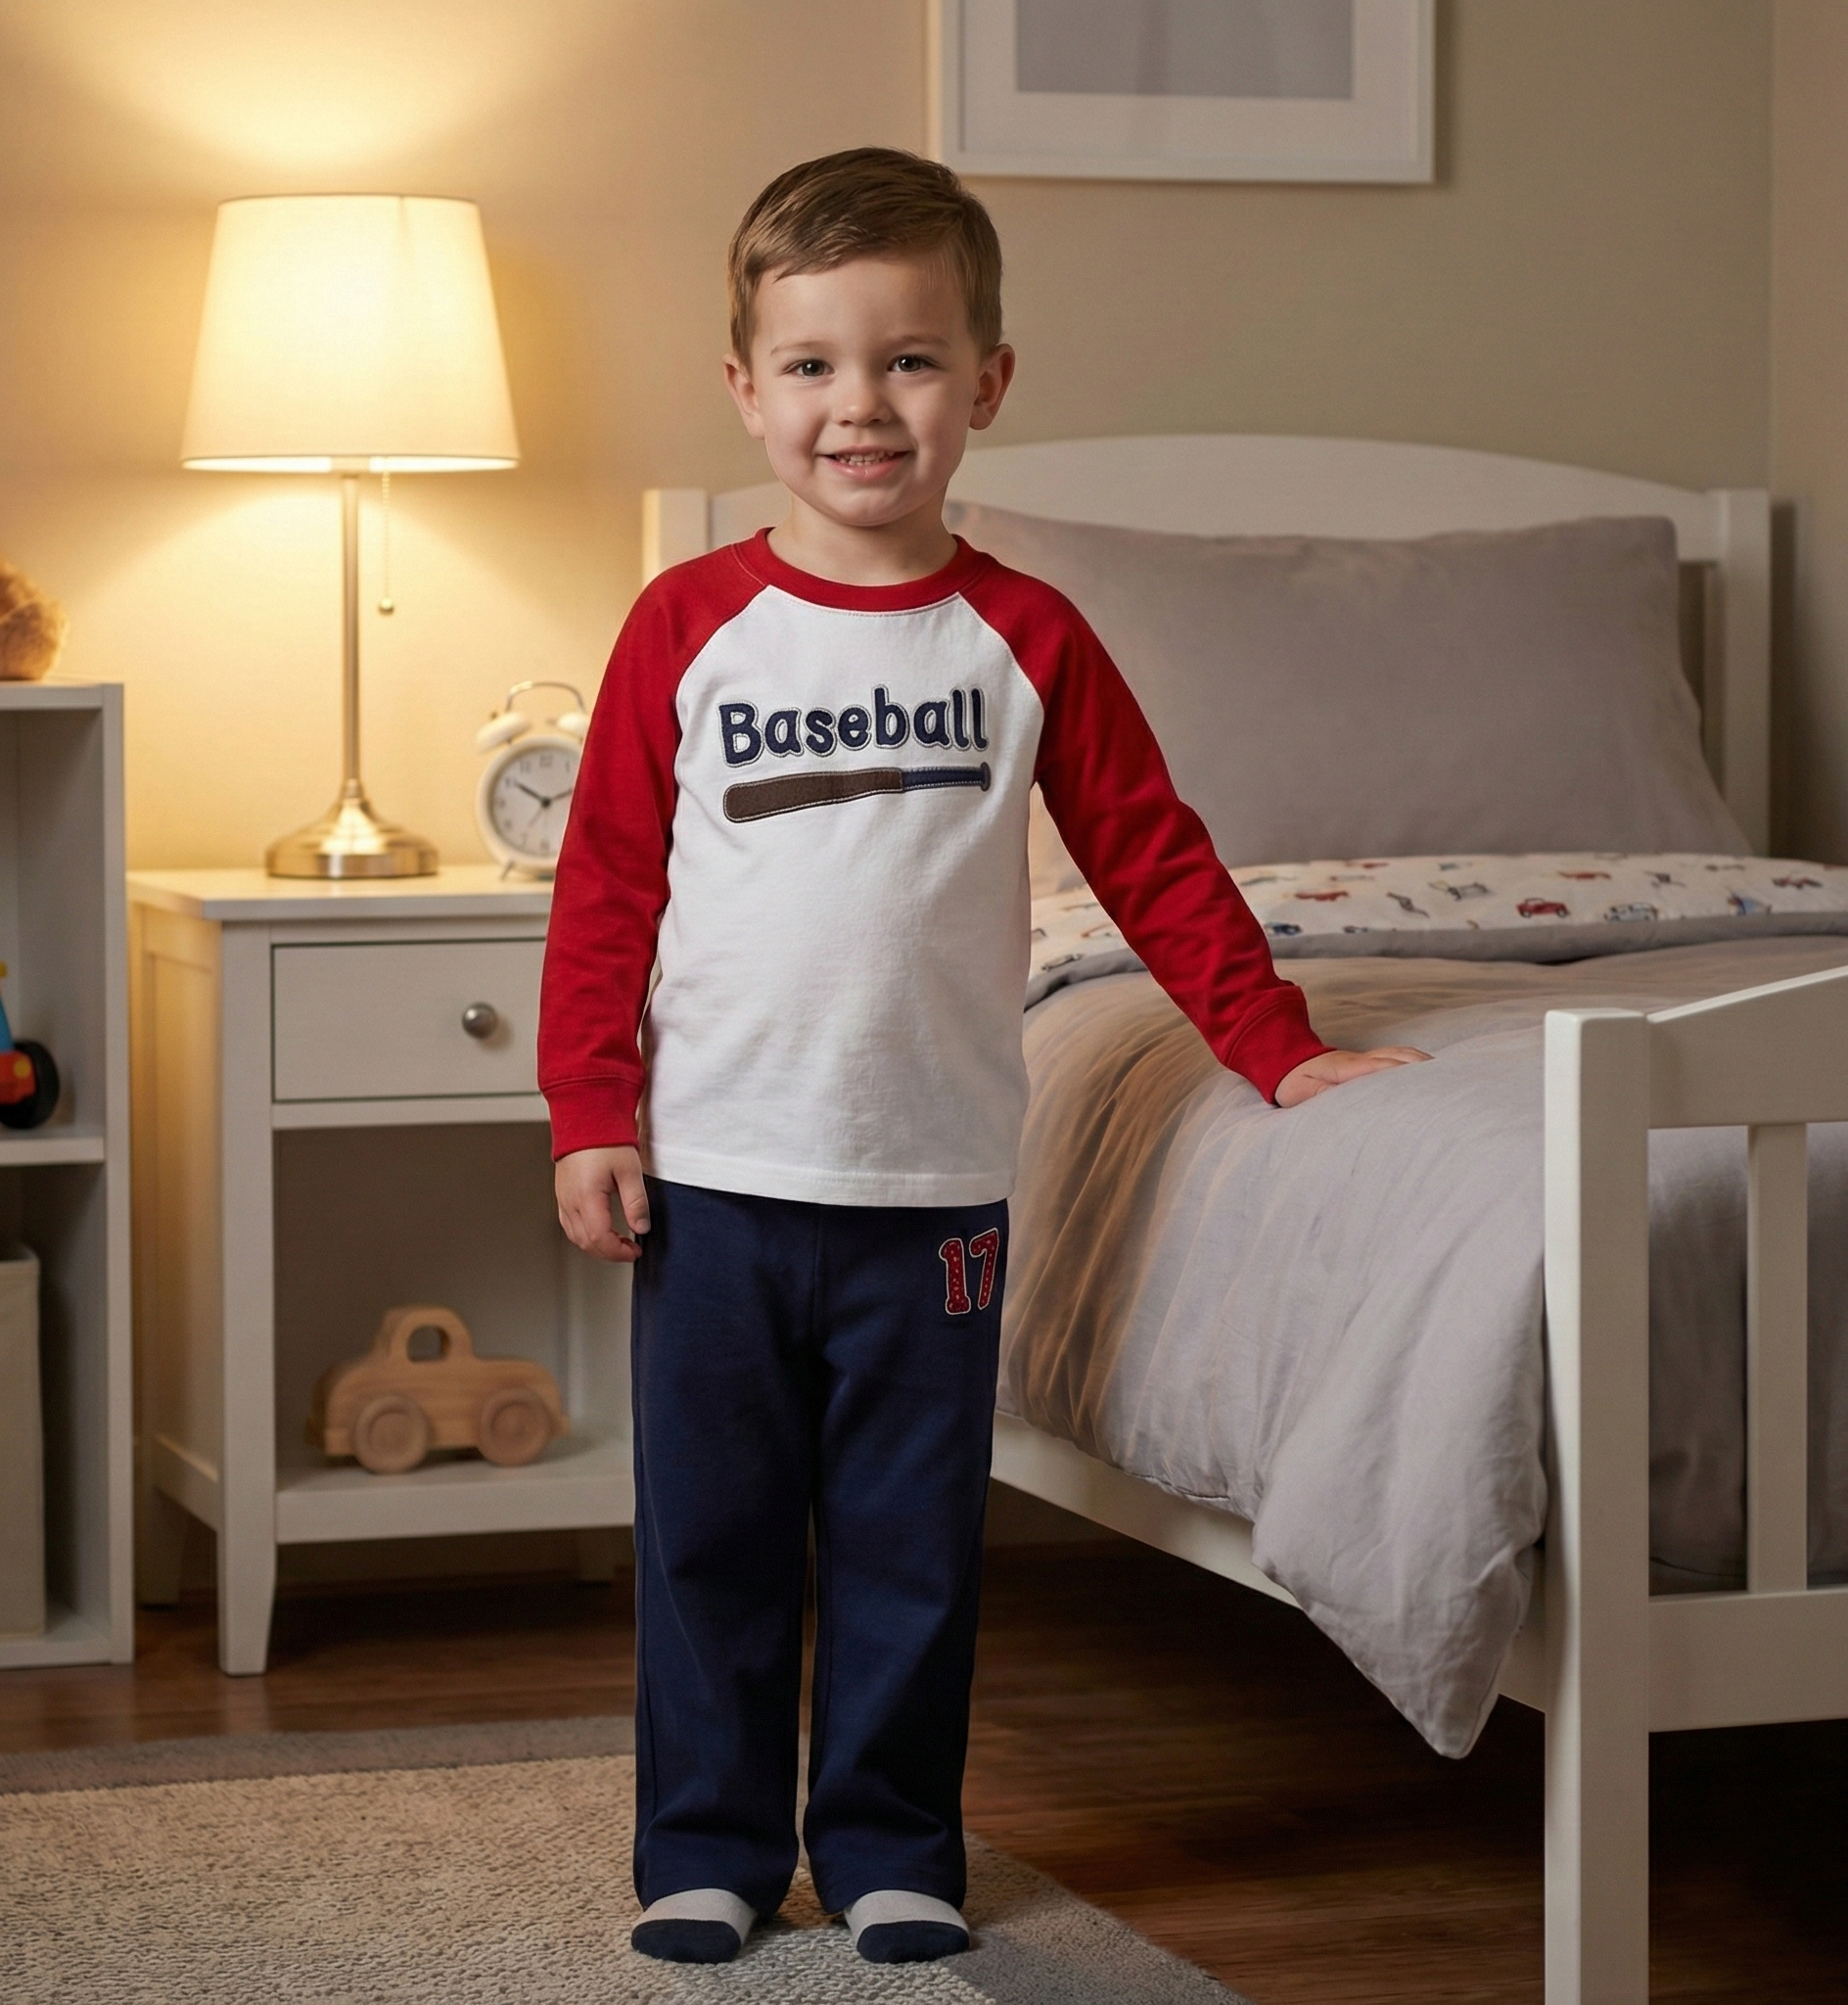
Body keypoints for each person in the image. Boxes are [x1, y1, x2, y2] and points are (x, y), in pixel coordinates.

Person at [537, 146, 1427, 1968]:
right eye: (812, 366)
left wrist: (1273, 1046)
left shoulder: (1025, 637)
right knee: (712, 1540)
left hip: (930, 1189)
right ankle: (704, 1846)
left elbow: (1155, 857)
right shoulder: (687, 629)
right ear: (745, 389)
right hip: (714, 1178)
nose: (860, 407)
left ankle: (888, 1843)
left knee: (906, 1545)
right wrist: (588, 1110)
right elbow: (607, 885)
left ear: (989, 384)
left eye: (911, 361)